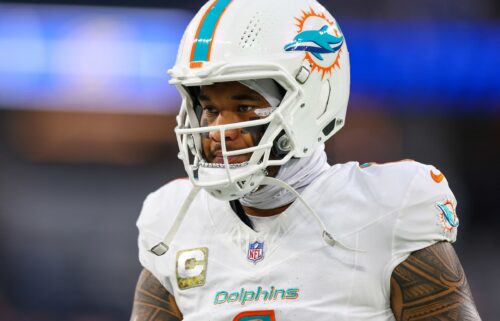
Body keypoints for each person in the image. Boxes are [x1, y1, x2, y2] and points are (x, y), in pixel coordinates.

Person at [130, 0, 481, 320]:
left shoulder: (388, 208)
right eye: (210, 109)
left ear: (309, 103)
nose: (222, 129)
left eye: (244, 107)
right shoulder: (174, 221)